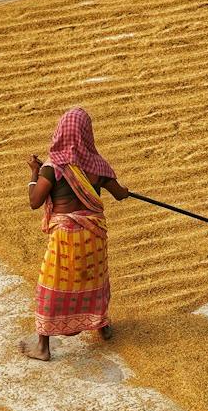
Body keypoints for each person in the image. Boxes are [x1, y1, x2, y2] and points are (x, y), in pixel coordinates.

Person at [21, 108, 129, 361]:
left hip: (65, 237)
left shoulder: (53, 168)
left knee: (53, 283)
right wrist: (124, 190)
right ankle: (102, 326)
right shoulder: (98, 167)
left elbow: (35, 201)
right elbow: (120, 193)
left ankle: (43, 347)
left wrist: (34, 173)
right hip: (93, 235)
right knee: (94, 278)